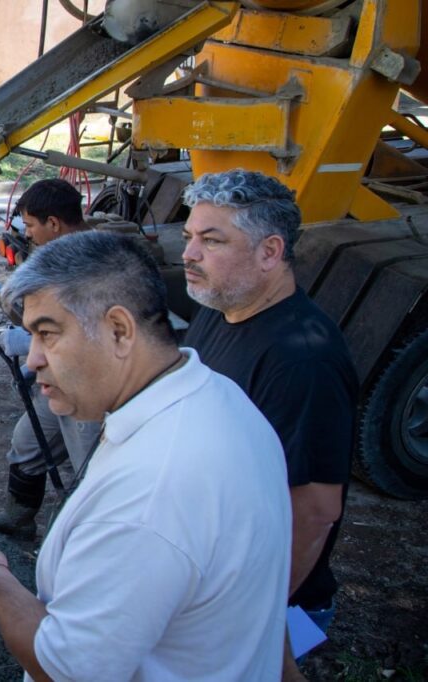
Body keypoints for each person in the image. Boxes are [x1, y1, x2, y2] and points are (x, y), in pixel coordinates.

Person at [0, 231, 292, 681]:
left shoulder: (147, 497)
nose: (31, 360)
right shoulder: (217, 395)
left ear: (119, 330)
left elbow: (62, 668)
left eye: (47, 334)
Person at [180, 170, 358, 666]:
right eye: (189, 237)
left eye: (211, 241)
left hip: (265, 605)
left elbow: (315, 510)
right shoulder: (220, 305)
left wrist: (251, 615)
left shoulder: (303, 361)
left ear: (270, 252)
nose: (189, 255)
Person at [0, 178, 98, 539]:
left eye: (30, 226)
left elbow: (85, 334)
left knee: (90, 469)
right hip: (57, 379)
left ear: (54, 224)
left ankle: (87, 544)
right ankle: (19, 519)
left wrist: (28, 342)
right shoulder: (60, 256)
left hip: (86, 387)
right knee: (28, 443)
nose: (26, 234)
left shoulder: (90, 265)